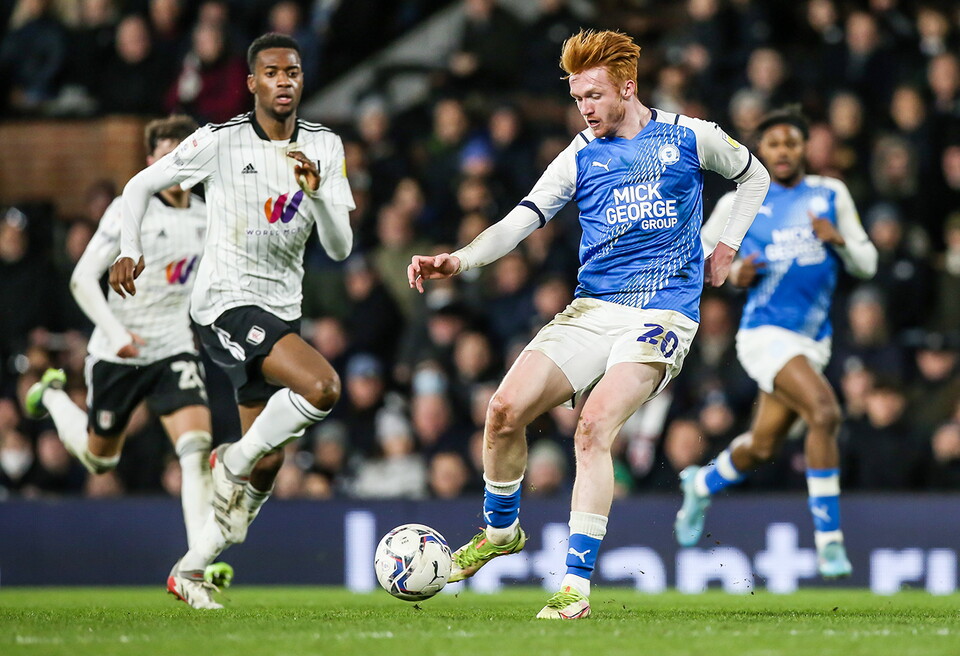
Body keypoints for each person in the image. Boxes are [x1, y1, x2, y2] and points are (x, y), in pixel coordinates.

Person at [407, 29, 769, 620]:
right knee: (502, 412)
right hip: (593, 309)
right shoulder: (579, 154)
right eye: (578, 98)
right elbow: (520, 220)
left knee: (593, 426)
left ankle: (574, 588)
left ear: (628, 87)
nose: (586, 109)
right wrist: (460, 260)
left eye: (595, 95)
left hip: (663, 314)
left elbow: (754, 176)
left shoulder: (690, 136)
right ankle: (500, 534)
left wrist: (726, 246)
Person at [109, 33, 354, 609]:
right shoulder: (219, 141)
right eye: (271, 72)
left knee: (270, 461)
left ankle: (190, 569)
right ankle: (230, 460)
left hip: (281, 310)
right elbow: (140, 184)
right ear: (252, 83)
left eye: (292, 71)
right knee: (322, 387)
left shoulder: (325, 146)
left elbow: (340, 248)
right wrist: (129, 248)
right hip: (224, 304)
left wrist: (318, 194)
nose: (284, 81)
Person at [24, 114, 233, 585]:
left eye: (183, 155)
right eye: (165, 157)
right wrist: (115, 332)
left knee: (196, 450)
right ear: (150, 161)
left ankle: (196, 564)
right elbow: (82, 279)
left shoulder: (208, 214)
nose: (175, 166)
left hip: (173, 347)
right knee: (100, 459)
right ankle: (53, 396)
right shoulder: (128, 209)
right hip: (119, 350)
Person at [677, 107, 878, 578]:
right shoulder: (741, 201)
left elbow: (868, 265)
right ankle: (829, 542)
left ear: (805, 148)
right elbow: (697, 258)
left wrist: (839, 241)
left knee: (763, 446)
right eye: (773, 143)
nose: (783, 150)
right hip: (763, 335)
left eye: (791, 142)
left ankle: (701, 484)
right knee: (824, 413)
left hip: (814, 341)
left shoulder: (831, 194)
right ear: (760, 151)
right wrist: (733, 273)